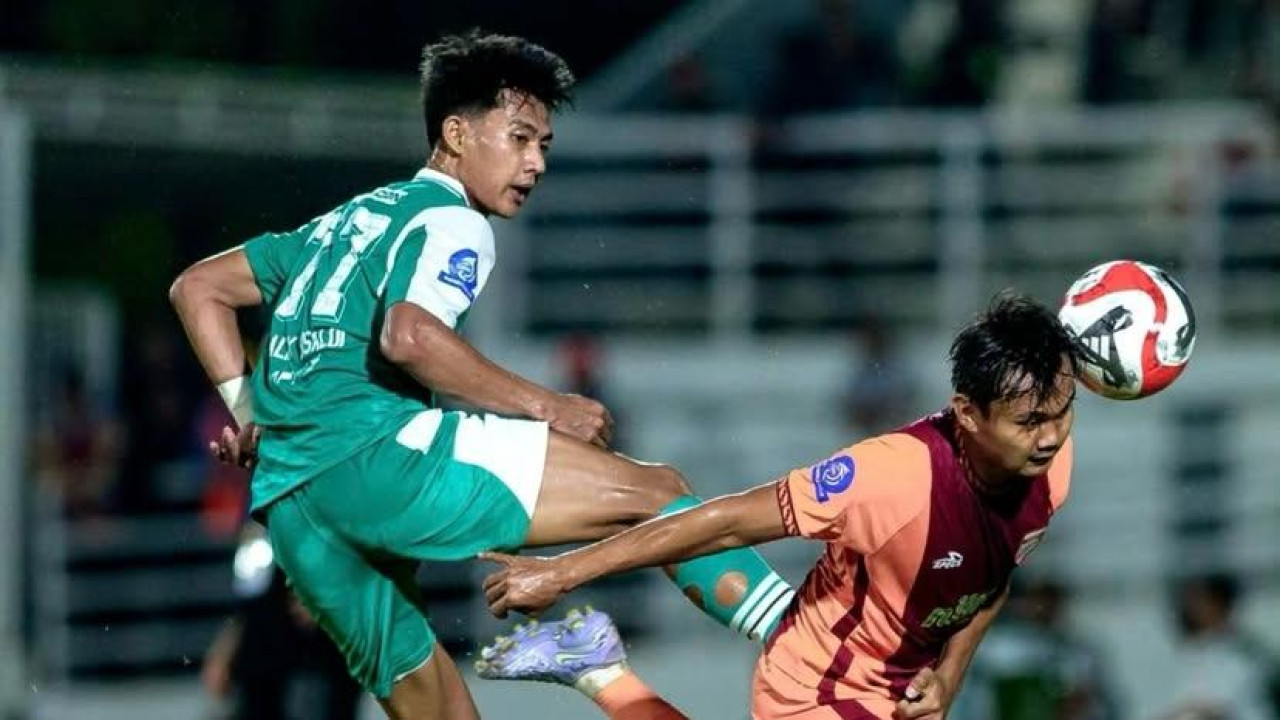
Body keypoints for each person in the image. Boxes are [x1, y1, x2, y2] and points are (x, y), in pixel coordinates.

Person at [169, 30, 793, 720]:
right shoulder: (450, 219)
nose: (535, 164)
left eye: (544, 147)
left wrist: (250, 412)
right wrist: (544, 404)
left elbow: (197, 288)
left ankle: (612, 675)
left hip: (292, 510)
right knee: (660, 492)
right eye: (520, 138)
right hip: (378, 456)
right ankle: (806, 649)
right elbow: (409, 336)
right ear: (457, 134)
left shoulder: (337, 225)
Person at [477, 294, 1082, 720]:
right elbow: (733, 520)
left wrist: (949, 675)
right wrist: (561, 571)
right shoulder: (890, 476)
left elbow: (994, 573)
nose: (1051, 436)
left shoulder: (1048, 464)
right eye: (1030, 421)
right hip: (817, 686)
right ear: (969, 414)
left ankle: (599, 665)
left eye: (1062, 413)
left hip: (886, 669)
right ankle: (605, 672)